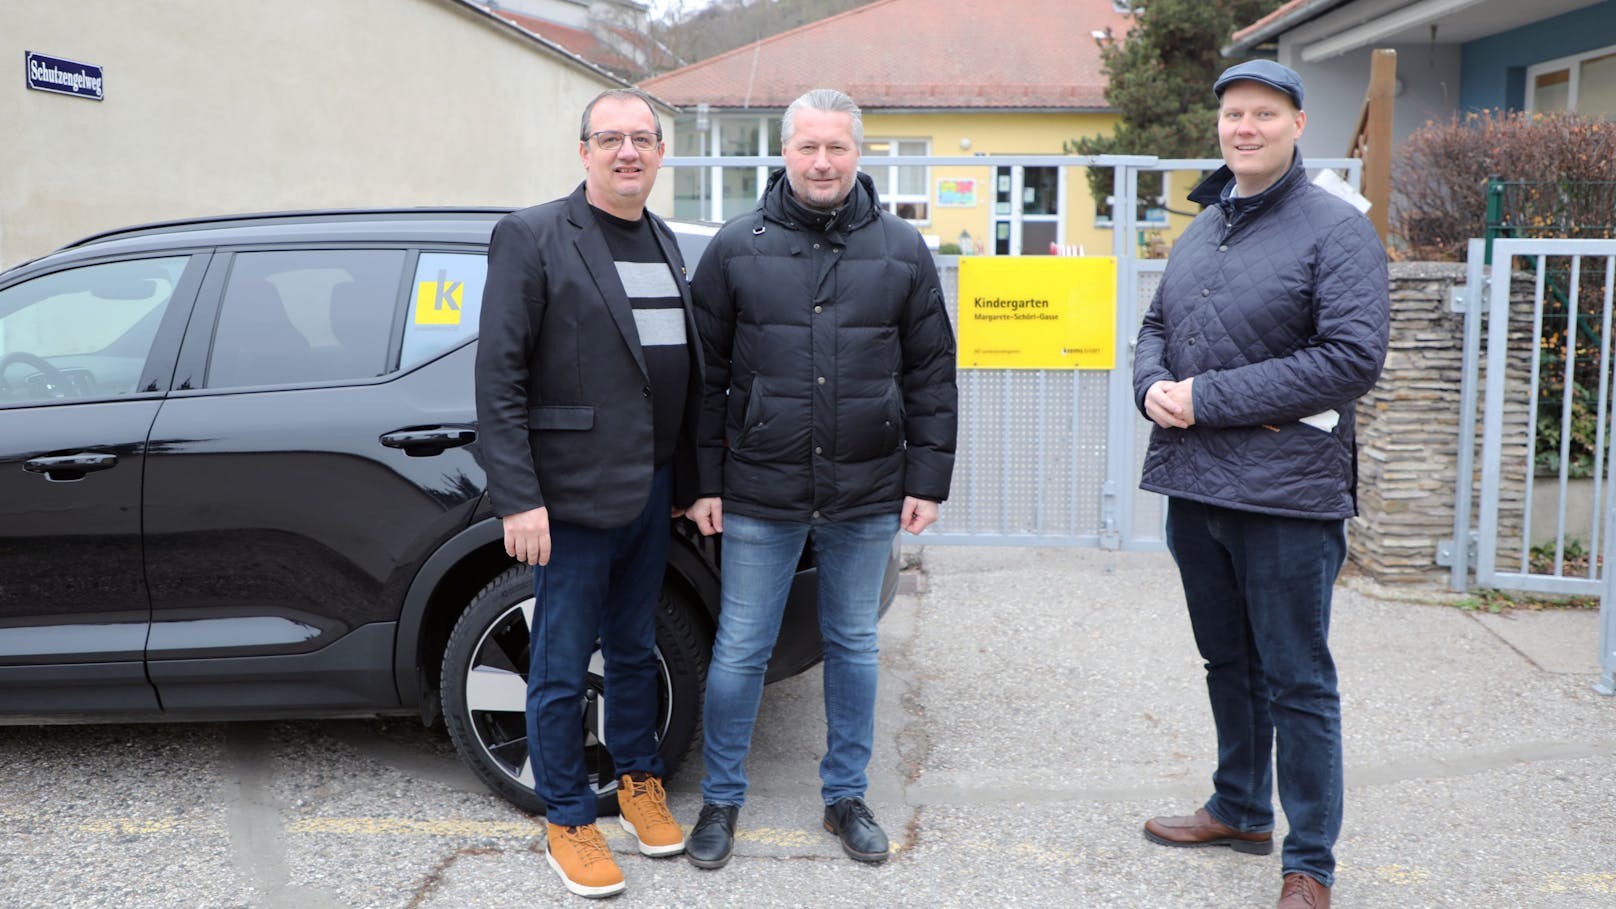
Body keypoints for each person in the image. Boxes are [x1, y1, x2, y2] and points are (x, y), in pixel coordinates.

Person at [1132, 60, 1389, 909]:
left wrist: (1203, 399)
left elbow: (1350, 358)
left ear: (1297, 123)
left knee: (1298, 678)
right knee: (1227, 660)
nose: (1245, 127)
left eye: (1263, 115)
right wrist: (1151, 386)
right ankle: (1241, 806)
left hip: (1286, 494)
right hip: (1196, 488)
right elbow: (1158, 324)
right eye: (1233, 114)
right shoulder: (1205, 226)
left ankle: (1309, 861)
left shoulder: (1336, 227)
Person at [681, 88, 958, 870]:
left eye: (836, 147)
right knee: (740, 647)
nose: (823, 161)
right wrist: (705, 480)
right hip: (759, 490)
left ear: (858, 153)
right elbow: (706, 379)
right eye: (808, 147)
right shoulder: (737, 246)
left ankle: (846, 796)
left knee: (853, 646)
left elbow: (933, 371)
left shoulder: (902, 249)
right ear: (785, 152)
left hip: (867, 490)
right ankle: (722, 798)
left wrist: (928, 478)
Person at [474, 87, 700, 899]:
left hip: (651, 487)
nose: (629, 151)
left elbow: (675, 377)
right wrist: (518, 497)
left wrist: (691, 484)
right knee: (562, 664)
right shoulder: (533, 236)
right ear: (584, 151)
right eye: (612, 138)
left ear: (660, 154)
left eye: (643, 138)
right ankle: (568, 815)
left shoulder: (667, 242)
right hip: (566, 498)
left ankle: (638, 778)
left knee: (636, 647)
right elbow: (497, 375)